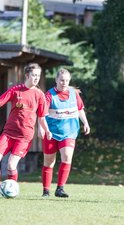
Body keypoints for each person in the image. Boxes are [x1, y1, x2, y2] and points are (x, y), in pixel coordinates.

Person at [0, 63, 52, 197]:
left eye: (38, 75)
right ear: (27, 75)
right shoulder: (15, 90)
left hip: (25, 137)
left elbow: (42, 117)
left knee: (11, 165)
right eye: (34, 75)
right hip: (8, 133)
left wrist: (47, 130)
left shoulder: (39, 95)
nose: (36, 78)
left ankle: (10, 191)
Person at [39, 68, 90, 198]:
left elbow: (79, 109)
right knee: (49, 162)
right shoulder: (49, 95)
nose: (64, 83)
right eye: (62, 80)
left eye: (67, 80)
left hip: (69, 132)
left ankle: (60, 189)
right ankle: (46, 190)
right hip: (51, 133)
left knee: (67, 156)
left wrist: (85, 123)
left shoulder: (74, 93)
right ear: (56, 80)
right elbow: (42, 114)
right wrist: (41, 128)